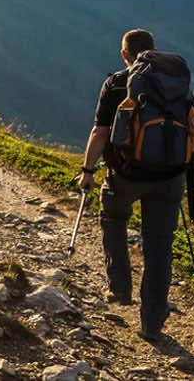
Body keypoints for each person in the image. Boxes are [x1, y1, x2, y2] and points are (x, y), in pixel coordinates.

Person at [78, 29, 185, 342]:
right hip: (169, 176)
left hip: (125, 174)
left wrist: (87, 170)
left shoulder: (115, 84)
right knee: (160, 246)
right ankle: (152, 323)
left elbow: (99, 133)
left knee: (113, 219)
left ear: (125, 55)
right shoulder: (173, 84)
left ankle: (120, 289)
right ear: (153, 51)